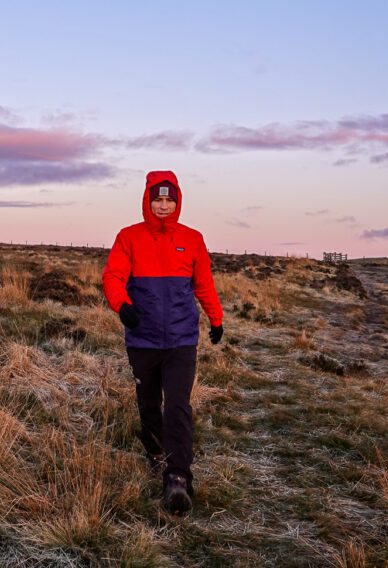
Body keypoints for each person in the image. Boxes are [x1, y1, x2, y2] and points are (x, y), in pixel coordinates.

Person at [102, 170, 223, 516]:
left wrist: (216, 319)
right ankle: (156, 454)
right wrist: (122, 305)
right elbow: (112, 276)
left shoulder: (193, 239)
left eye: (170, 199)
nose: (164, 205)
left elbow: (203, 284)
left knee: (178, 405)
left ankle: (178, 477)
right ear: (148, 200)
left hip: (182, 339)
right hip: (143, 338)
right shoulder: (129, 237)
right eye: (158, 199)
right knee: (150, 402)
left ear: (178, 201)